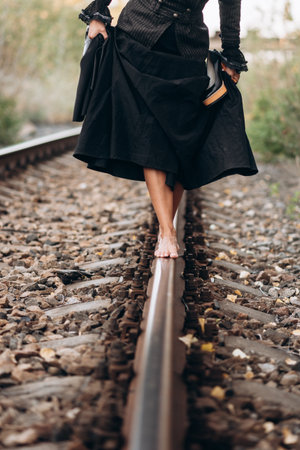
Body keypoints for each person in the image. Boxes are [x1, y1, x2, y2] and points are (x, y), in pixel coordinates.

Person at [73, 0, 258, 258]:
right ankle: (167, 231)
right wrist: (98, 12)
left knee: (184, 143)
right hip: (138, 39)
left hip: (188, 48)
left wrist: (231, 51)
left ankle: (165, 226)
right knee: (152, 138)